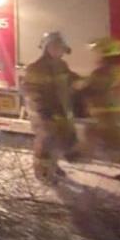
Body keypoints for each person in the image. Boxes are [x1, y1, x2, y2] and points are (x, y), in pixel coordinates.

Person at [68, 38, 120, 184]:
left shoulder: (104, 72)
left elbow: (88, 87)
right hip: (111, 113)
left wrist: (74, 85)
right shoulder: (117, 69)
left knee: (116, 144)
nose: (97, 57)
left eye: (99, 53)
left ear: (106, 54)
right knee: (91, 132)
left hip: (107, 113)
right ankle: (79, 154)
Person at [23, 31, 80, 183]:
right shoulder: (36, 68)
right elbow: (31, 91)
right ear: (46, 48)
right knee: (46, 141)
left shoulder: (62, 65)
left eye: (60, 47)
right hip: (42, 112)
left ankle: (52, 166)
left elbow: (71, 79)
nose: (58, 50)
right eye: (54, 46)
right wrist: (42, 113)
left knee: (59, 139)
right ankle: (42, 173)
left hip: (59, 110)